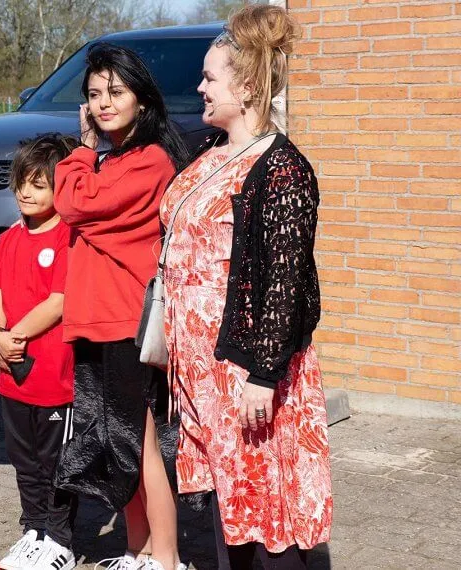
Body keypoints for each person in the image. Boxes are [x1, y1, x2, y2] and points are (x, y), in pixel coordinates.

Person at [161, 5, 332, 570]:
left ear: (249, 85)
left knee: (266, 512)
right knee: (230, 510)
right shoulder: (209, 154)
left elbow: (286, 280)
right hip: (205, 373)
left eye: (211, 78)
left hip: (250, 375)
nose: (200, 87)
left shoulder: (281, 167)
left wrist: (262, 375)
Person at [52, 43, 189, 570]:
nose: (104, 103)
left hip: (126, 323)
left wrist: (81, 150)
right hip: (95, 320)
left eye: (115, 91)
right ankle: (137, 549)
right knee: (120, 445)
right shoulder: (113, 160)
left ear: (141, 97)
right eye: (93, 94)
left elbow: (72, 203)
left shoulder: (149, 161)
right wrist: (90, 154)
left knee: (144, 443)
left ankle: (167, 557)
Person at [0, 134, 79, 570]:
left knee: (55, 462)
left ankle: (60, 541)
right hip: (13, 376)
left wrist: (16, 335)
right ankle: (34, 531)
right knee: (24, 460)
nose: (26, 192)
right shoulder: (8, 239)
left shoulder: (67, 239)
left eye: (39, 185)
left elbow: (59, 301)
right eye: (22, 182)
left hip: (55, 378)